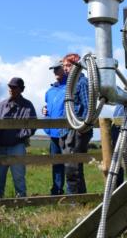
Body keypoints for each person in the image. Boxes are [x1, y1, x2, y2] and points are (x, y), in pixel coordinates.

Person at [0, 77, 37, 198]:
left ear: (21, 89)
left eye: (14, 87)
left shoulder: (28, 106)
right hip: (1, 146)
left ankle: (21, 200)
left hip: (17, 146)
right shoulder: (2, 104)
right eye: (10, 87)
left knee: (18, 176)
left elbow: (32, 126)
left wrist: (18, 136)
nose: (11, 89)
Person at [60, 53, 92, 194]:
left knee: (73, 166)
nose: (65, 69)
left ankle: (74, 199)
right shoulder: (71, 84)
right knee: (73, 166)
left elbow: (88, 107)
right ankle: (79, 198)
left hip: (76, 129)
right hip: (68, 129)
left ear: (76, 65)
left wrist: (82, 128)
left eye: (68, 65)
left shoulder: (82, 83)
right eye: (64, 66)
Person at [43, 60, 67, 195]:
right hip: (53, 133)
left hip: (66, 132)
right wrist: (44, 112)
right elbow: (48, 108)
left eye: (58, 68)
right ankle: (56, 190)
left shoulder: (70, 87)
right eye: (54, 69)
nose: (55, 72)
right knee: (56, 163)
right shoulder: (50, 91)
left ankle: (72, 194)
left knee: (70, 163)